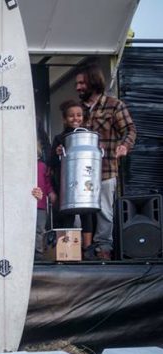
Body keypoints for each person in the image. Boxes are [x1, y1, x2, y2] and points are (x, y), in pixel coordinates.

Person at [75, 63, 136, 260]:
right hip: (80, 172)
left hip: (106, 168)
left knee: (104, 212)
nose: (78, 87)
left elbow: (129, 130)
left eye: (82, 83)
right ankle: (78, 248)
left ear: (93, 82)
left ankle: (103, 249)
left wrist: (124, 146)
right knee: (78, 209)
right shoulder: (77, 109)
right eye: (77, 84)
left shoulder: (114, 105)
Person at [49, 100, 95, 255]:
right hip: (65, 183)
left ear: (83, 117)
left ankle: (87, 248)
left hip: (84, 181)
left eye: (79, 115)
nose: (75, 118)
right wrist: (57, 153)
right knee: (67, 214)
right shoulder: (59, 138)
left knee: (87, 213)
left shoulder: (89, 136)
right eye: (71, 116)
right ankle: (67, 250)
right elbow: (51, 163)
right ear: (64, 119)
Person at [35, 144, 56, 260]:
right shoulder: (22, 168)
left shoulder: (42, 166)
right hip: (25, 206)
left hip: (40, 205)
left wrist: (51, 192)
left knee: (39, 229)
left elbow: (47, 182)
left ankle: (38, 254)